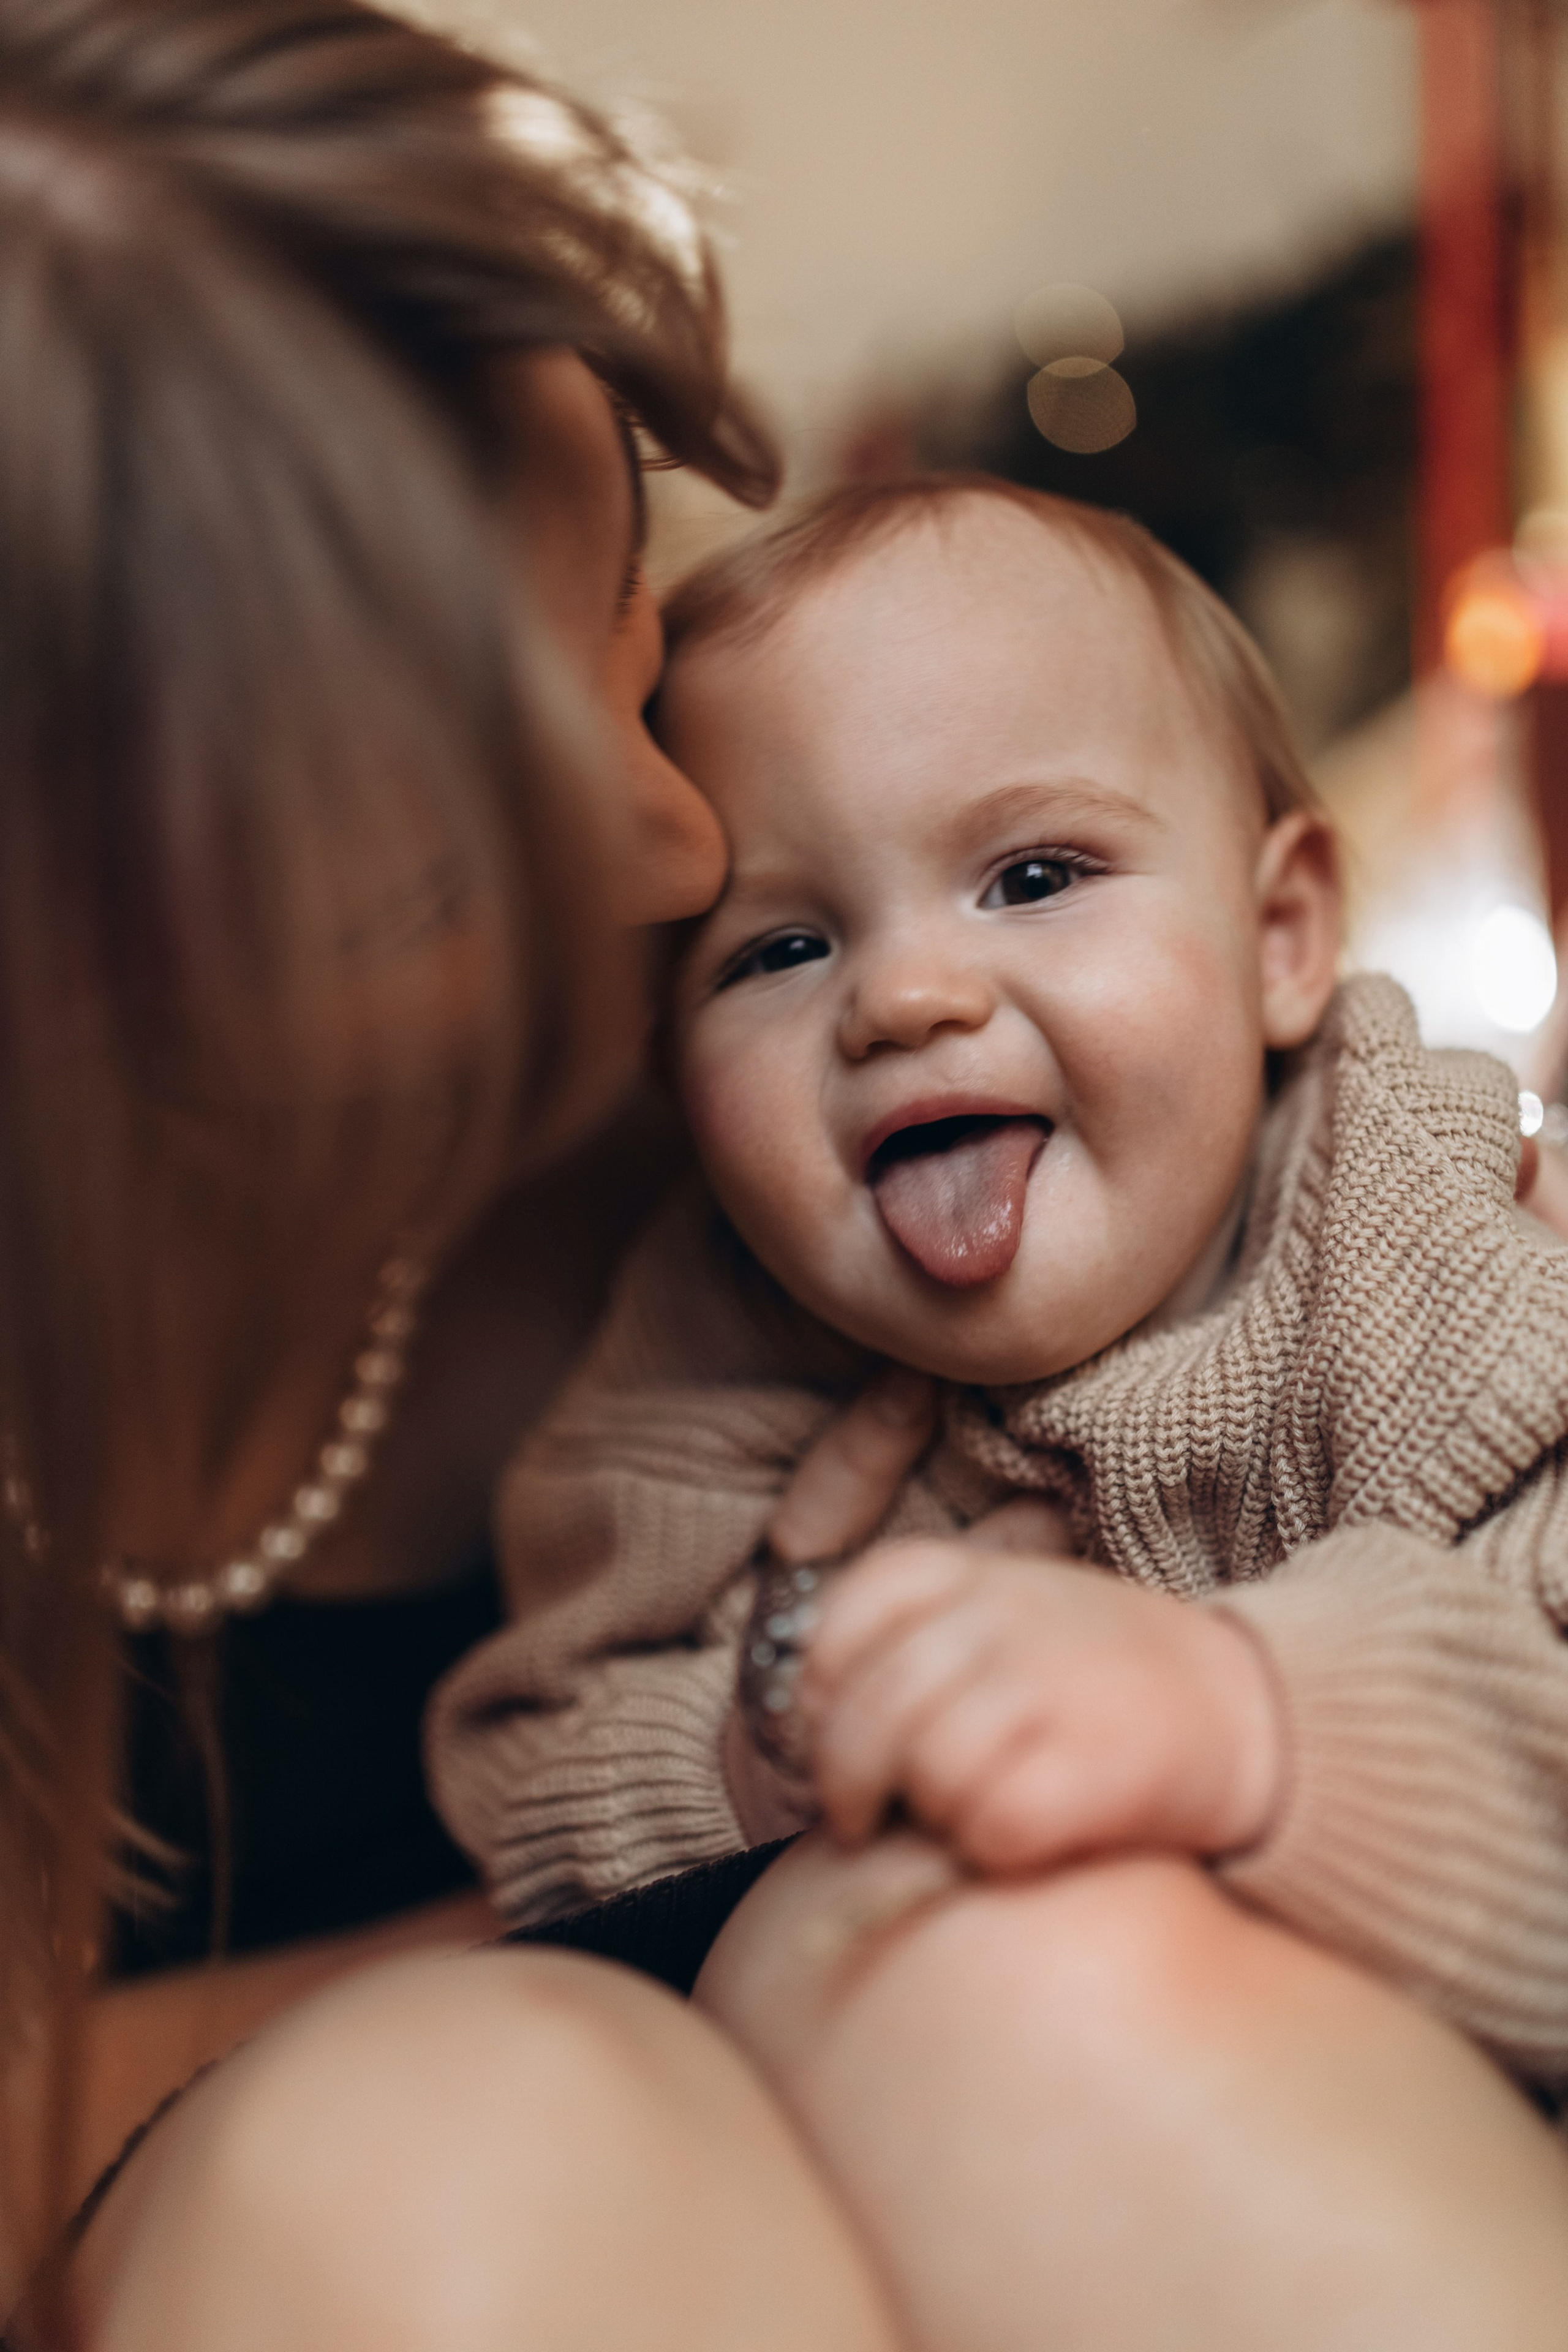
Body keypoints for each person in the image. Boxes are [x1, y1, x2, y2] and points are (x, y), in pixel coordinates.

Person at [426, 475, 1568, 2347]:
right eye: (778, 949)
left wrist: (1247, 1713)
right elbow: (534, 1757)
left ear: (1285, 933)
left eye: (1034, 878)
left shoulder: (1427, 1237)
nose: (905, 997)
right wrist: (753, 1754)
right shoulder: (709, 1354)